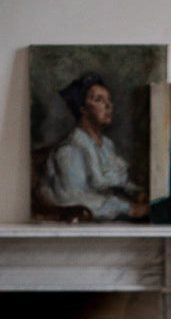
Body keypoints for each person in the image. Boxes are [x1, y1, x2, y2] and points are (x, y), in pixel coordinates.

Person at [37, 72, 148, 221]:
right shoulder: (69, 151)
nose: (108, 105)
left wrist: (136, 193)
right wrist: (129, 209)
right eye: (99, 100)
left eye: (109, 100)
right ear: (83, 109)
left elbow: (118, 181)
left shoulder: (107, 145)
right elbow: (74, 199)